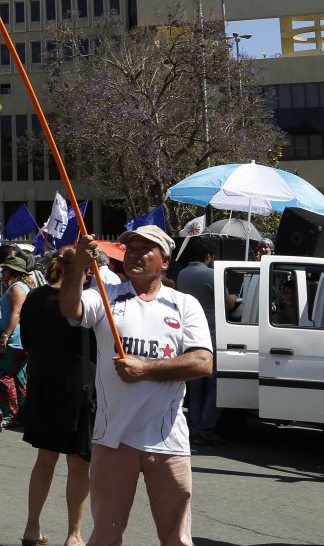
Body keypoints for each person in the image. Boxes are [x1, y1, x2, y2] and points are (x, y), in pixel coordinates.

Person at [60, 224, 213, 546]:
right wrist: (76, 268)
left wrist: (145, 369)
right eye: (131, 248)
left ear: (165, 260)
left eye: (146, 249)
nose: (135, 254)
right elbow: (70, 309)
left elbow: (202, 363)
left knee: (177, 539)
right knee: (105, 535)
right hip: (112, 438)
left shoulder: (184, 305)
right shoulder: (106, 294)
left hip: (168, 440)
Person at [19, 247, 96, 546]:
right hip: (81, 387)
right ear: (85, 268)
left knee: (45, 459)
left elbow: (26, 342)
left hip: (43, 384)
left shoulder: (35, 296)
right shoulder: (89, 299)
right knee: (78, 464)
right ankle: (73, 535)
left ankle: (31, 527)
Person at [176, 237, 234, 447]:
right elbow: (227, 303)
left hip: (188, 334)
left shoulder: (182, 274)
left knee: (196, 384)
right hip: (212, 334)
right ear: (208, 257)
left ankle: (195, 427)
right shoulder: (212, 274)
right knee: (216, 384)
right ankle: (206, 428)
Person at [0, 250, 34, 428]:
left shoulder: (17, 288)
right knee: (19, 378)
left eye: (4, 270)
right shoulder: (20, 287)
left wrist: (4, 336)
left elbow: (16, 313)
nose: (2, 273)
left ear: (12, 271)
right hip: (20, 339)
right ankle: (25, 413)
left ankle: (10, 414)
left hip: (14, 340)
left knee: (3, 375)